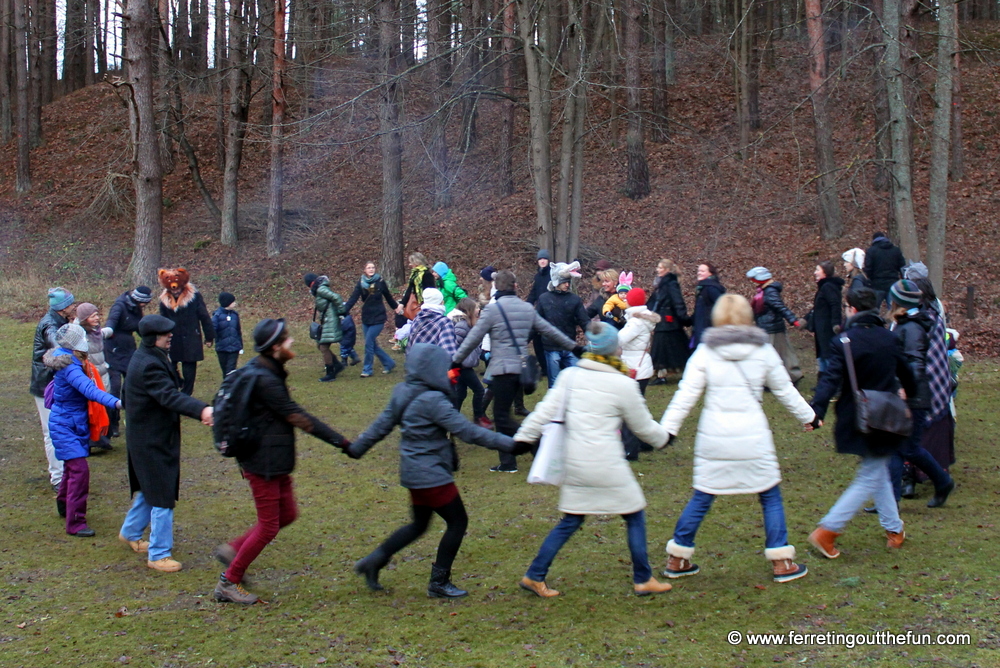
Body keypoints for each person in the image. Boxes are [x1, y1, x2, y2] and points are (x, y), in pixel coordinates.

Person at [660, 295, 816, 584]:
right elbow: (784, 390)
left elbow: (685, 395)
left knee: (703, 494)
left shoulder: (705, 353)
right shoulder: (764, 351)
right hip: (752, 436)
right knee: (769, 494)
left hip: (714, 437)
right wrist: (809, 416)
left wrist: (667, 430)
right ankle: (782, 561)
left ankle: (678, 557)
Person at [514, 322, 672, 598]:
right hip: (607, 465)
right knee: (634, 515)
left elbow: (543, 412)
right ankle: (643, 578)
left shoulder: (569, 377)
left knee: (571, 521)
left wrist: (522, 438)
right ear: (615, 351)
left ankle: (534, 574)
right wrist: (664, 438)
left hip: (575, 463)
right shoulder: (623, 384)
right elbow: (643, 426)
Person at [349, 343, 519, 598]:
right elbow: (469, 432)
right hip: (431, 475)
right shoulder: (434, 401)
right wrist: (513, 445)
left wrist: (357, 448)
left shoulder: (402, 392)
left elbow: (380, 426)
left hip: (413, 473)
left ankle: (373, 561)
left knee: (419, 524)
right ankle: (438, 582)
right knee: (457, 522)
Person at [212, 319, 352, 605]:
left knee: (286, 515)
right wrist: (343, 442)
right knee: (268, 525)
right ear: (275, 347)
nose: (291, 343)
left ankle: (233, 551)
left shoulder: (267, 369)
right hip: (262, 463)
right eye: (286, 339)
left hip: (275, 459)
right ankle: (229, 581)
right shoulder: (266, 380)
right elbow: (298, 416)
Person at [808, 288, 916, 559]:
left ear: (852, 309)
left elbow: (829, 380)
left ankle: (889, 529)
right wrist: (913, 399)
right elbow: (908, 374)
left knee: (874, 471)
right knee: (873, 470)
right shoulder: (889, 339)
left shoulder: (843, 341)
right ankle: (831, 531)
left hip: (855, 417)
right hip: (886, 416)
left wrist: (817, 410)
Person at [451, 270, 581, 473]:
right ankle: (512, 460)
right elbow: (549, 330)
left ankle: (531, 448)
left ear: (497, 287)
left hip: (502, 369)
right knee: (504, 415)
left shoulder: (493, 311)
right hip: (521, 369)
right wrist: (574, 347)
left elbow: (474, 337)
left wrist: (456, 361)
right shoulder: (527, 308)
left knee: (502, 417)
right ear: (515, 287)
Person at [120, 314, 214, 573]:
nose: (170, 336)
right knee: (161, 494)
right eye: (165, 334)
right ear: (153, 338)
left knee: (149, 489)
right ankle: (158, 554)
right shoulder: (149, 364)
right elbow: (170, 396)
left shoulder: (146, 357)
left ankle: (130, 532)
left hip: (146, 437)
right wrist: (202, 410)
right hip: (151, 440)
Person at [45, 324, 122, 537]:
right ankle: (76, 522)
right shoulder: (70, 366)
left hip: (70, 422)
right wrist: (117, 403)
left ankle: (64, 505)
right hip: (66, 425)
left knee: (72, 467)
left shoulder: (66, 357)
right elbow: (89, 390)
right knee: (80, 471)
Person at [886, 280, 955, 507]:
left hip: (913, 397)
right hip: (906, 395)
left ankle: (943, 481)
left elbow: (916, 361)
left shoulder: (912, 328)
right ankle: (890, 501)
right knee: (898, 449)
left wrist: (906, 388)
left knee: (909, 449)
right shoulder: (905, 324)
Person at [30, 286, 76, 491]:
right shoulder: (50, 324)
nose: (74, 306)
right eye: (71, 304)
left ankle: (64, 472)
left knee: (62, 428)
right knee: (51, 431)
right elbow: (57, 345)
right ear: (62, 308)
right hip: (45, 385)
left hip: (54, 383)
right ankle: (58, 478)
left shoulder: (61, 321)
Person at [617, 288, 662, 460]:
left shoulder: (635, 322)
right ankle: (646, 441)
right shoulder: (640, 318)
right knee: (639, 408)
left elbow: (620, 339)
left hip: (634, 367)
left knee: (629, 409)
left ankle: (630, 449)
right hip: (640, 366)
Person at [103, 286, 152, 437]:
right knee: (115, 387)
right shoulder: (119, 306)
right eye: (144, 303)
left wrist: (151, 339)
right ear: (139, 300)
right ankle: (113, 423)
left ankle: (136, 418)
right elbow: (112, 322)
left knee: (133, 385)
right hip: (113, 351)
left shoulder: (136, 308)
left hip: (129, 350)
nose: (144, 306)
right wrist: (106, 332)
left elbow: (140, 328)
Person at [158, 268, 215, 396]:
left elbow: (204, 316)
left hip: (191, 336)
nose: (175, 290)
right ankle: (177, 383)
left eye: (177, 288)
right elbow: (162, 319)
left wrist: (209, 336)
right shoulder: (164, 300)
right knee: (170, 363)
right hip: (172, 337)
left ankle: (186, 393)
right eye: (173, 289)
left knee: (189, 365)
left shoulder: (194, 297)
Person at [535, 261, 590, 387]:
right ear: (556, 282)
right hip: (551, 347)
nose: (567, 284)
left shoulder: (574, 299)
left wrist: (595, 337)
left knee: (576, 382)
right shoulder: (544, 299)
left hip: (569, 345)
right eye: (564, 282)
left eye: (568, 282)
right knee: (554, 384)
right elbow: (536, 322)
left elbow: (584, 321)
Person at [746, 266, 803, 386]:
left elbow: (780, 307)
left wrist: (793, 320)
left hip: (773, 328)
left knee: (779, 355)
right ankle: (772, 381)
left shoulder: (770, 291)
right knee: (776, 355)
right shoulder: (764, 290)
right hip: (767, 327)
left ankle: (791, 377)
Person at [343, 261, 399, 378]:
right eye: (369, 268)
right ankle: (389, 363)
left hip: (379, 317)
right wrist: (344, 310)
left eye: (373, 267)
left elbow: (388, 296)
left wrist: (396, 308)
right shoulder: (361, 283)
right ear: (365, 270)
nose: (371, 269)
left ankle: (367, 369)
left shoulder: (380, 282)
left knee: (368, 343)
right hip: (366, 317)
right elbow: (353, 298)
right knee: (373, 344)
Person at [74, 302, 113, 451]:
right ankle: (91, 440)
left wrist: (113, 329)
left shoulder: (95, 331)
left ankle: (101, 438)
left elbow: (103, 333)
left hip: (102, 373)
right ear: (85, 318)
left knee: (104, 405)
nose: (97, 318)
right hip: (91, 375)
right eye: (93, 316)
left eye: (97, 314)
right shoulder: (79, 334)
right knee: (91, 407)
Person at [449, 298, 491, 428]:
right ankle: (479, 418)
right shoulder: (462, 325)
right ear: (469, 310)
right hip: (462, 366)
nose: (479, 310)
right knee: (479, 391)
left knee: (460, 393)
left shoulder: (468, 323)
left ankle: (452, 420)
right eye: (476, 308)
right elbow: (455, 344)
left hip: (461, 365)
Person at [648, 259, 691, 381]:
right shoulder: (661, 284)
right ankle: (663, 374)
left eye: (660, 268)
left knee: (663, 350)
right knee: (673, 349)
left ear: (667, 270)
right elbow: (653, 302)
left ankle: (662, 375)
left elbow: (678, 302)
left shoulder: (670, 284)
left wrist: (683, 317)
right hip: (665, 322)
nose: (657, 270)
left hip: (668, 321)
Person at [304, 273, 346, 382]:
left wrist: (342, 311)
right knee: (320, 345)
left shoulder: (320, 289)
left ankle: (330, 372)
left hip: (331, 321)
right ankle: (336, 365)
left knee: (323, 347)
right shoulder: (320, 289)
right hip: (328, 320)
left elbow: (336, 297)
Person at [811, 261, 844, 378]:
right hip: (820, 326)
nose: (815, 273)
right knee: (822, 353)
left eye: (817, 270)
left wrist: (835, 323)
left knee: (828, 354)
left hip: (827, 327)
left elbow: (835, 305)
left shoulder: (828, 287)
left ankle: (832, 380)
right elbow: (817, 308)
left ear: (825, 273)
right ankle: (824, 380)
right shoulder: (824, 287)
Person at [526, 250, 552, 382]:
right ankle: (543, 368)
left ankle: (549, 368)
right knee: (536, 341)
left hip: (550, 313)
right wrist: (527, 304)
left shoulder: (552, 275)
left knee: (547, 341)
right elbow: (534, 293)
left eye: (544, 259)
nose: (542, 261)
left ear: (548, 261)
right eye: (540, 259)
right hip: (538, 312)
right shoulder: (538, 276)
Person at [408, 288, 458, 356]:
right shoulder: (444, 322)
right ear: (441, 302)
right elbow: (449, 352)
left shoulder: (417, 319)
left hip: (416, 363)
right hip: (433, 365)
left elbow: (409, 347)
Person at [864, 233, 906, 308]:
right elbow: (902, 267)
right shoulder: (896, 250)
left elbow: (868, 268)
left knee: (874, 309)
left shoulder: (871, 251)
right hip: (893, 283)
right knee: (893, 309)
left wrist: (870, 279)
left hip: (877, 284)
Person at [690, 263, 725, 349]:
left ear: (711, 273)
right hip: (702, 328)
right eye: (698, 271)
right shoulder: (703, 287)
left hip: (706, 329)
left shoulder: (711, 288)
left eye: (702, 271)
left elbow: (722, 305)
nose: (699, 273)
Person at [212, 292, 243, 376]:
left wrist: (240, 345)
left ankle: (230, 387)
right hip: (222, 348)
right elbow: (213, 330)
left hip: (234, 347)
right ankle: (226, 387)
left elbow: (238, 331)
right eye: (233, 302)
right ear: (227, 303)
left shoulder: (235, 315)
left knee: (231, 370)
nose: (235, 303)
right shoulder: (217, 316)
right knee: (225, 370)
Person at [399, 253, 437, 320]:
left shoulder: (427, 274)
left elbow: (431, 291)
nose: (410, 264)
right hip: (416, 303)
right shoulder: (414, 274)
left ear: (417, 262)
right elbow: (410, 289)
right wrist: (402, 303)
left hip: (426, 304)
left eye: (411, 262)